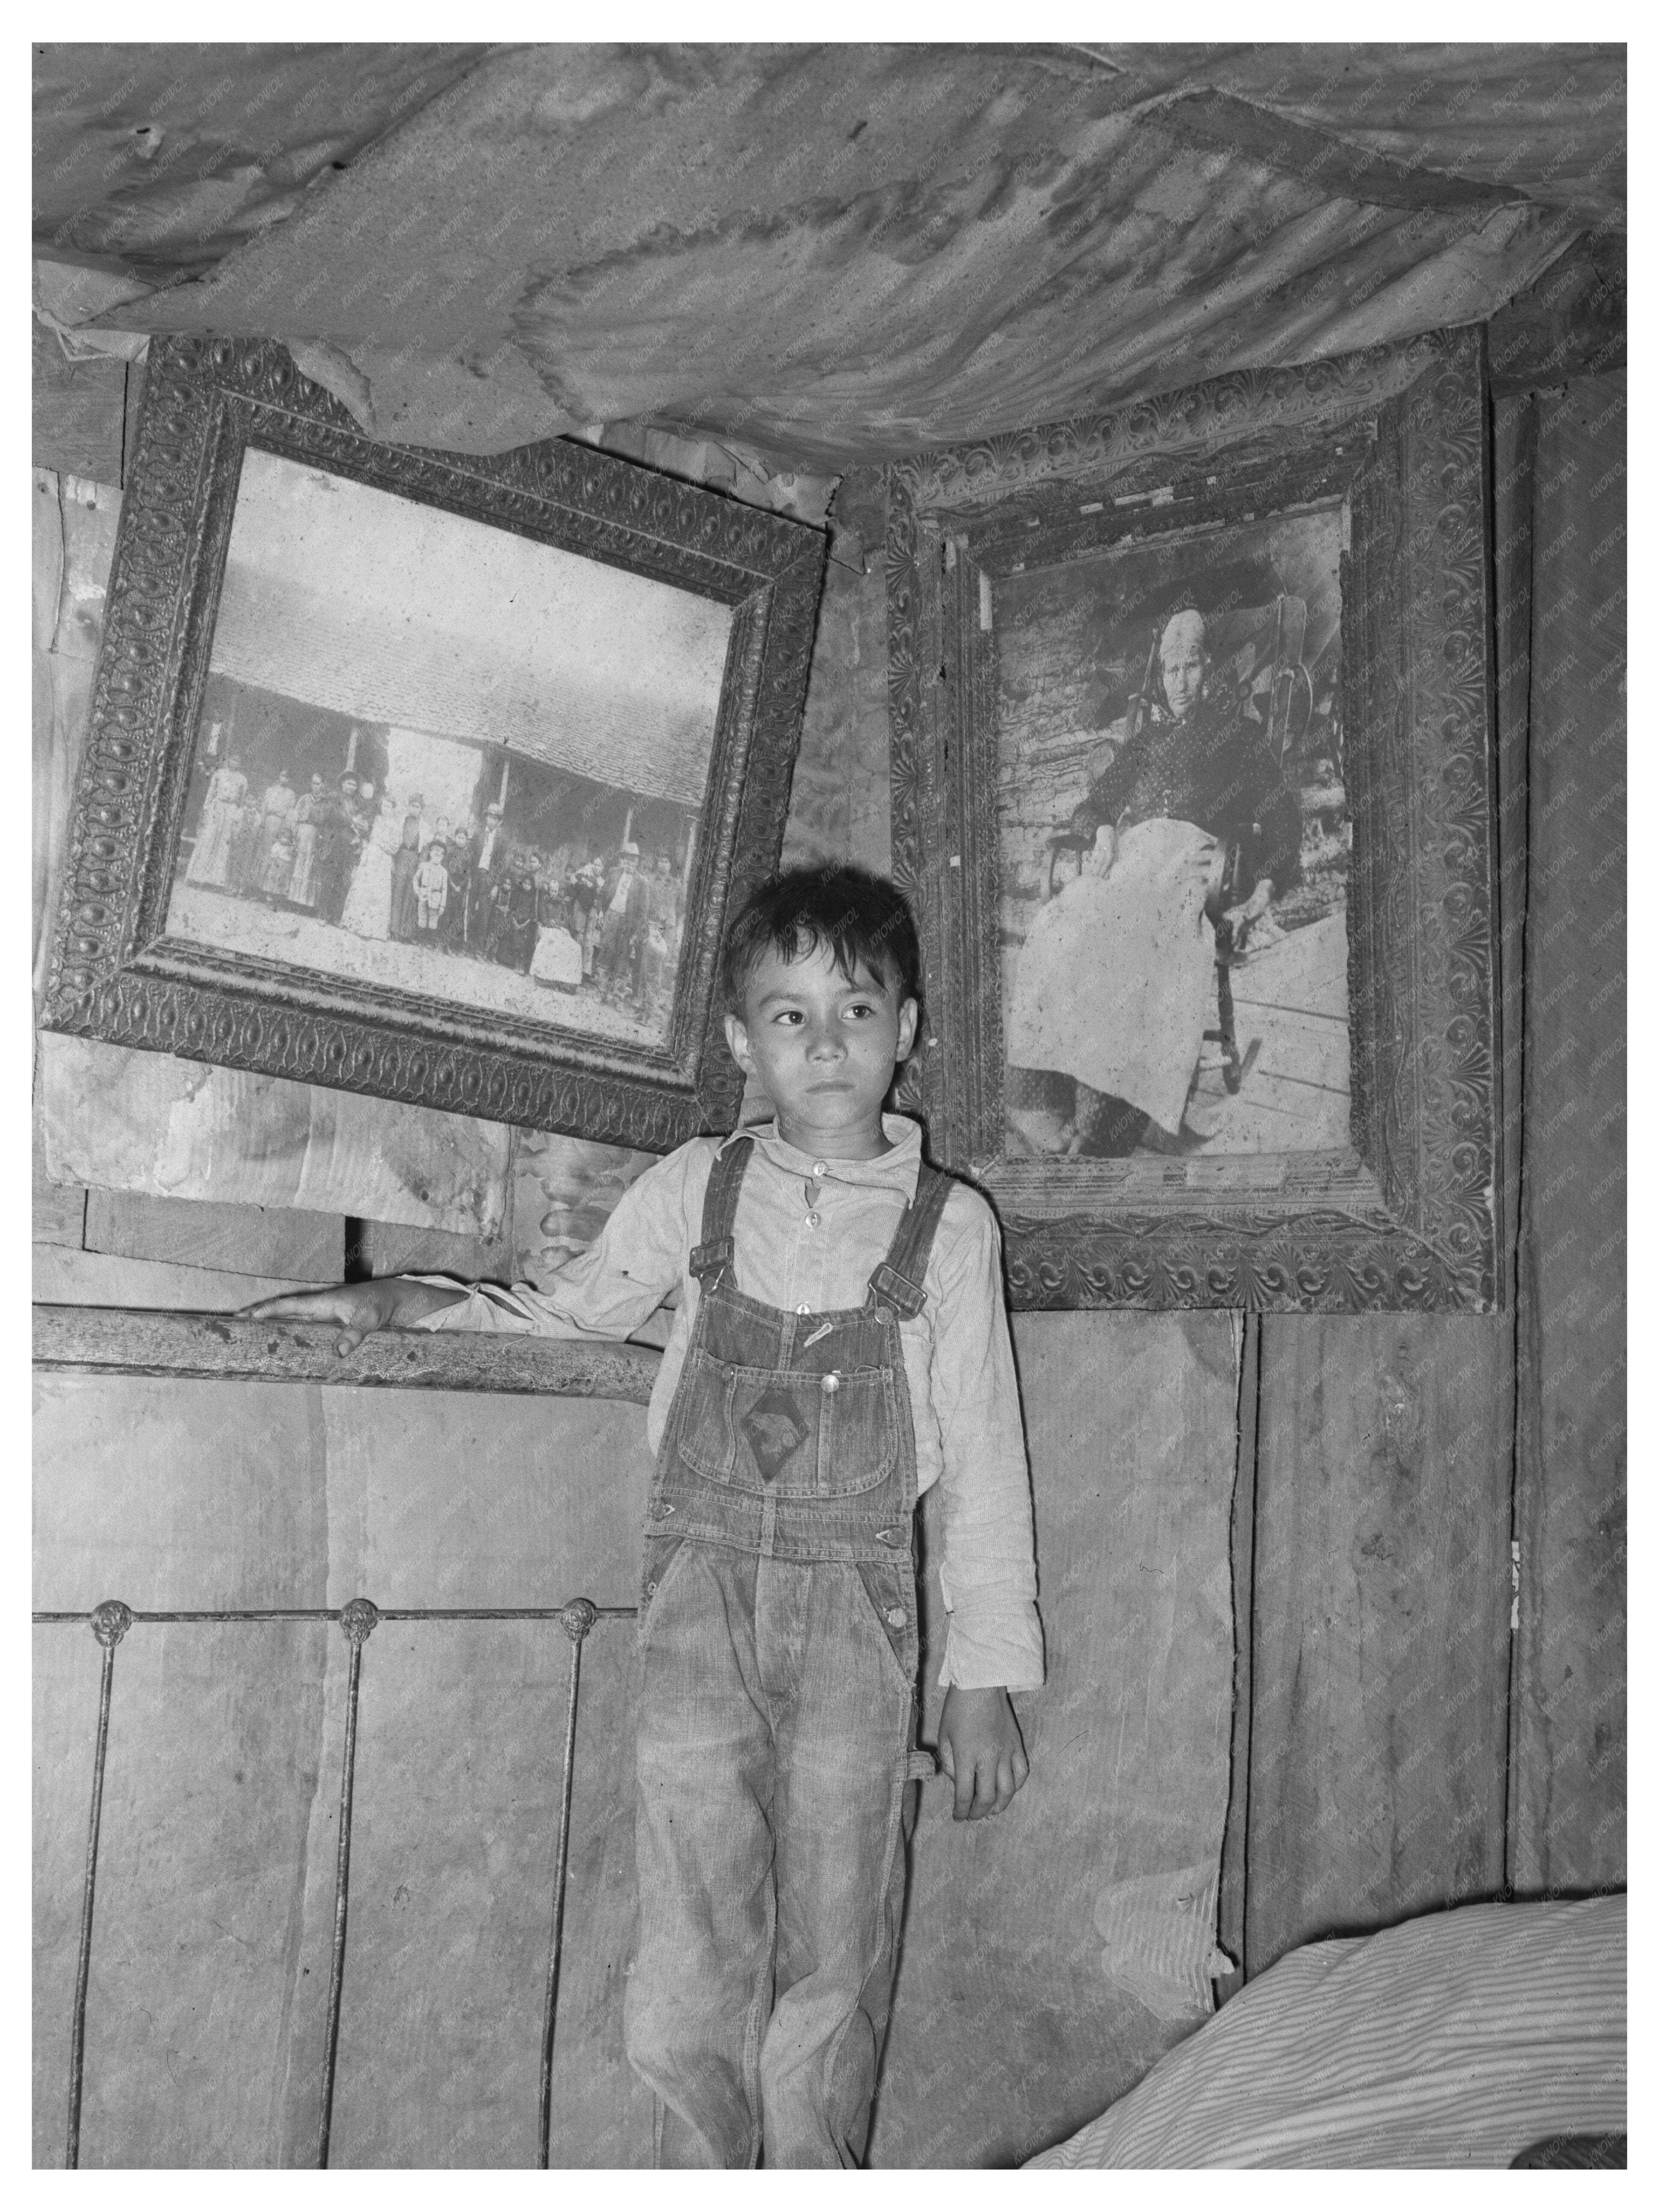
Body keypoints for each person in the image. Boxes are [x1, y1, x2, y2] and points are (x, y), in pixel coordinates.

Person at [242, 864, 1041, 2168]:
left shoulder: (952, 1230)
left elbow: (987, 1464)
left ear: (910, 1029)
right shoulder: (695, 1188)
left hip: (860, 1619)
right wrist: (400, 1305)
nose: (825, 1042)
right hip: (698, 1607)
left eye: (855, 1008)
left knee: (838, 1937)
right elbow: (570, 1312)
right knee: (690, 1929)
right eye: (789, 1015)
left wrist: (985, 1673)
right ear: (741, 1040)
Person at [1006, 604, 1303, 1155]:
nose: (1180, 682)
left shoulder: (1239, 741)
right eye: (1170, 669)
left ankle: (1105, 1126)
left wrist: (1259, 893)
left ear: (1209, 669)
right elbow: (1094, 804)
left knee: (1136, 943)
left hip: (1190, 865)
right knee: (1061, 922)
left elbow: (1284, 823)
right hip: (1130, 861)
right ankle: (1050, 1101)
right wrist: (1101, 836)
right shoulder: (1144, 744)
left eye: (1190, 666)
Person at [338, 781, 400, 939]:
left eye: (389, 807)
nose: (386, 810)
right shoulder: (378, 820)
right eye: (384, 806)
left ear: (394, 809)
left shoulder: (395, 825)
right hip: (372, 856)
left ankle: (373, 929)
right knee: (364, 887)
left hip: (384, 860)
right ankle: (356, 923)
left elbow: (395, 847)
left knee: (378, 892)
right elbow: (370, 836)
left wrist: (380, 844)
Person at [185, 752, 247, 887]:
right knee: (209, 839)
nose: (235, 763)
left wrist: (237, 813)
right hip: (217, 807)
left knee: (223, 843)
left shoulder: (243, 780)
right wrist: (207, 807)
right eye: (233, 759)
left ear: (240, 764)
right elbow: (211, 791)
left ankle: (215, 882)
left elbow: (241, 800)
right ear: (229, 760)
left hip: (230, 810)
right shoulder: (219, 774)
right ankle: (198, 877)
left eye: (238, 761)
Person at [288, 773, 326, 911]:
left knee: (311, 866)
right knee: (300, 863)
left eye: (318, 784)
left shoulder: (325, 802)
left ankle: (306, 904)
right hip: (304, 831)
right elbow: (295, 815)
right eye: (313, 783)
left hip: (317, 834)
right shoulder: (304, 799)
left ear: (323, 785)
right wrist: (295, 831)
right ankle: (293, 901)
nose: (315, 786)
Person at [389, 813, 422, 941]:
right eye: (413, 806)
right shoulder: (402, 820)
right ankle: (394, 929)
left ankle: (404, 932)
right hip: (401, 856)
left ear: (421, 810)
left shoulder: (423, 825)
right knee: (398, 891)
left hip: (414, 859)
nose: (415, 809)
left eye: (418, 807)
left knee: (409, 894)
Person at [413, 840, 449, 935]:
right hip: (424, 896)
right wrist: (417, 892)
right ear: (431, 853)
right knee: (422, 919)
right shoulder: (424, 866)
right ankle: (421, 941)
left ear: (443, 857)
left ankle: (429, 941)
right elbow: (416, 879)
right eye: (435, 853)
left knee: (433, 922)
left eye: (440, 855)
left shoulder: (443, 872)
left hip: (436, 899)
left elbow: (444, 889)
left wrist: (442, 905)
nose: (437, 856)